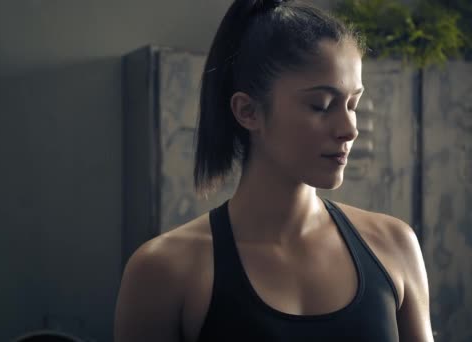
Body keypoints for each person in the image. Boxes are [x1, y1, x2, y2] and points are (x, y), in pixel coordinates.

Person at [114, 0, 434, 341]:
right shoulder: (164, 270)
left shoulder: (394, 245)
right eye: (321, 105)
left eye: (352, 104)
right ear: (248, 111)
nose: (349, 129)